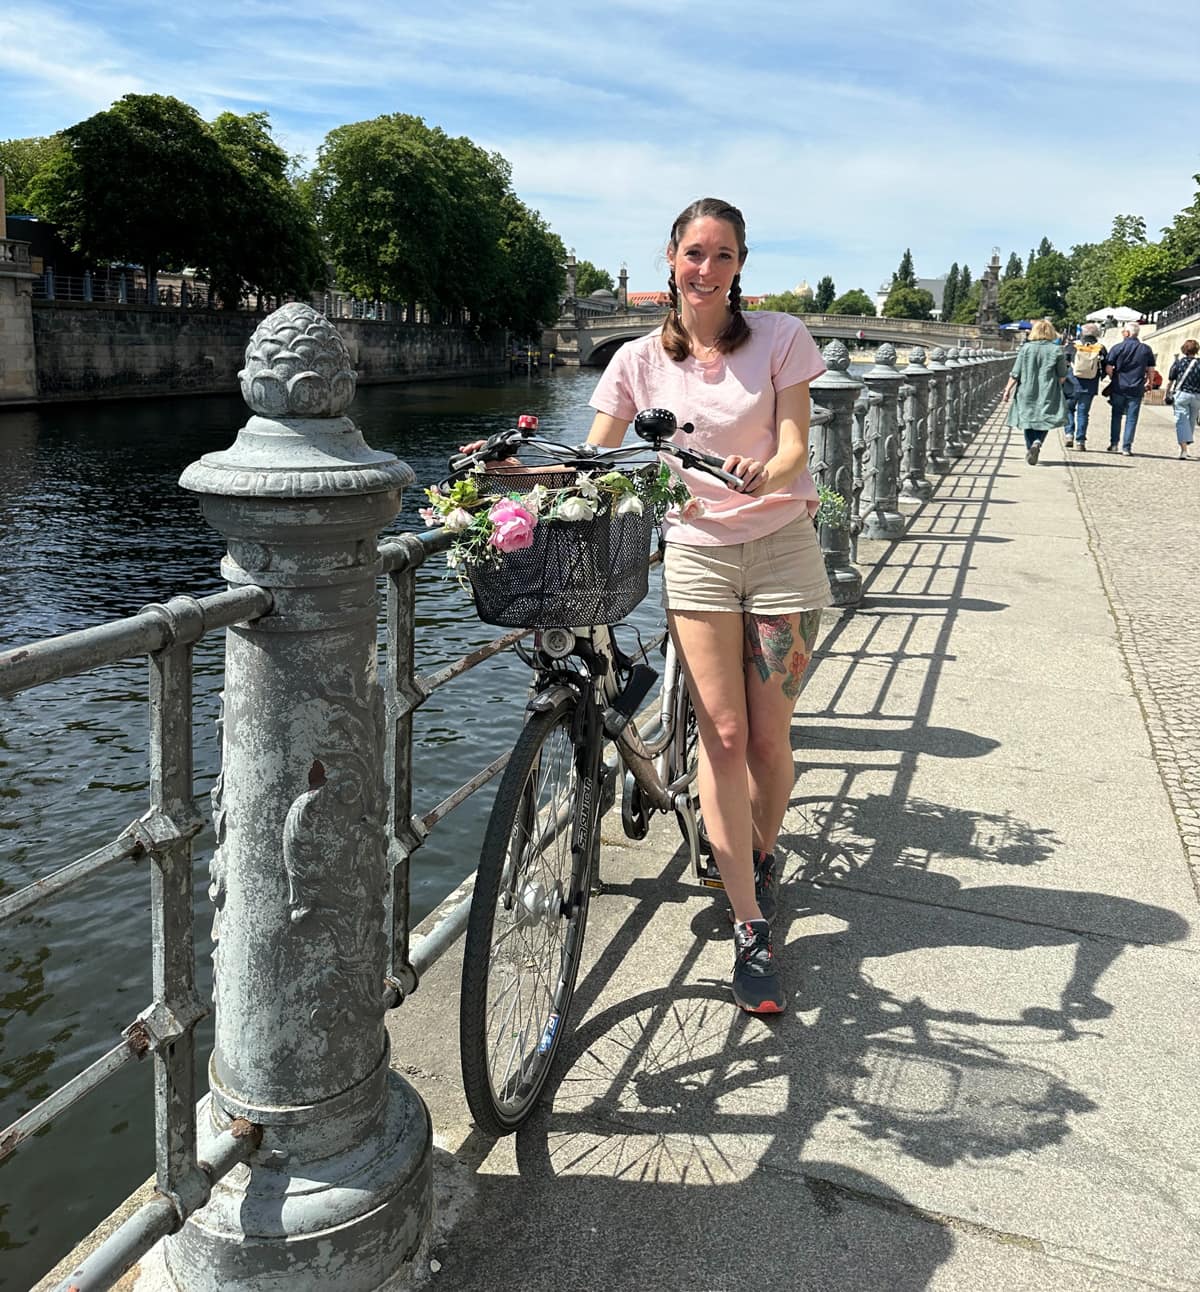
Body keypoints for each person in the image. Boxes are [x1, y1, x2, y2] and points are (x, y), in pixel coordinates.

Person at [585, 197, 830, 1014]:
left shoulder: (781, 338)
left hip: (783, 550)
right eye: (695, 252)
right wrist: (522, 491)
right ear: (670, 257)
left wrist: (776, 467)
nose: (706, 268)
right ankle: (752, 923)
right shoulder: (635, 360)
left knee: (769, 741)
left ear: (739, 266)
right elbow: (598, 451)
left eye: (722, 255)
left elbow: (795, 439)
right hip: (695, 554)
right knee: (724, 735)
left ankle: (758, 850)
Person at [1002, 319, 1067, 464]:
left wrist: (1007, 389)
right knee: (1045, 419)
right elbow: (1062, 375)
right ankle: (1037, 442)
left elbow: (1016, 373)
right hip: (1048, 390)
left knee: (1028, 420)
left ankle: (1030, 445)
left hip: (1026, 389)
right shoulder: (1056, 350)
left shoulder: (1026, 348)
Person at [1104, 322, 1158, 455]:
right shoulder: (1146, 349)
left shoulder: (1118, 348)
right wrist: (1150, 383)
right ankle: (1126, 447)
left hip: (1119, 386)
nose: (1123, 333)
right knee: (1132, 418)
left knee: (1116, 415)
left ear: (1127, 333)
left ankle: (1114, 443)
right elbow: (1151, 369)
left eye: (1123, 331)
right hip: (1136, 387)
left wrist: (1113, 377)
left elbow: (1108, 367)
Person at [1064, 322, 1107, 450]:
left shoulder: (1073, 346)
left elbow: (1064, 363)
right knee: (1083, 413)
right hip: (1090, 384)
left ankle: (1069, 434)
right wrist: (1099, 377)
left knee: (1068, 409)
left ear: (1082, 333)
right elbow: (1105, 366)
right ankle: (1080, 441)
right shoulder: (1100, 347)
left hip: (1072, 383)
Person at [1166, 338, 1200, 459]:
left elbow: (1171, 380)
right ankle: (1187, 445)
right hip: (1197, 396)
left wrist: (1167, 394)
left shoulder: (1178, 363)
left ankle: (1183, 449)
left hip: (1182, 394)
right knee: (1191, 421)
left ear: (1184, 349)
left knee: (1181, 421)